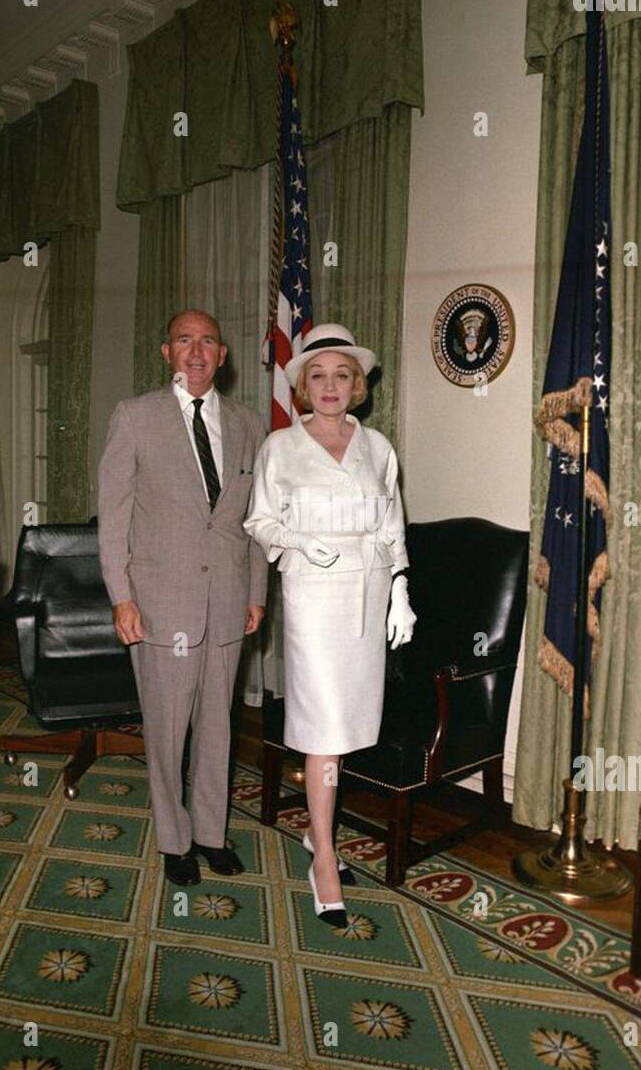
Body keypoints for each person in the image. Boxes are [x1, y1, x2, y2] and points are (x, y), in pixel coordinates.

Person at [243, 324, 416, 927]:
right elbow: (260, 522)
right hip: (314, 598)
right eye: (317, 376)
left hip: (368, 599)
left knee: (348, 730)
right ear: (301, 386)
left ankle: (321, 835)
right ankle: (324, 854)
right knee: (322, 730)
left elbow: (393, 524)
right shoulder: (280, 448)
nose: (331, 385)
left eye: (342, 375)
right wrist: (299, 539)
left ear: (357, 384)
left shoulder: (380, 448)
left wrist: (401, 591)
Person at [98, 309, 268, 888]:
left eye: (208, 342)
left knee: (218, 725)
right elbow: (113, 521)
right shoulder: (135, 418)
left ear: (223, 356)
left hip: (227, 601)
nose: (196, 351)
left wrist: (257, 593)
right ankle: (175, 840)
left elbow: (253, 521)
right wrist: (121, 597)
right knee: (167, 728)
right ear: (165, 352)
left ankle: (211, 833)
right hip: (159, 603)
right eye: (183, 340)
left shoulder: (248, 426)